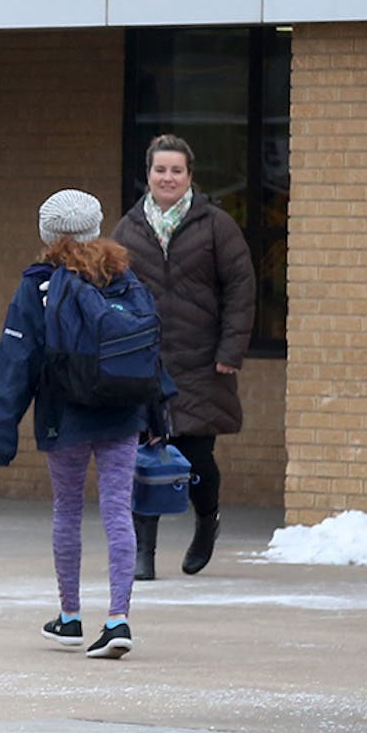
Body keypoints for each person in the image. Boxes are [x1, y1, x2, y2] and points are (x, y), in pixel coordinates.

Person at [0, 189, 172, 661]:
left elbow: (16, 362)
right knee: (117, 511)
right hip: (123, 412)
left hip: (64, 414)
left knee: (67, 511)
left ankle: (69, 617)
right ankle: (118, 618)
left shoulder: (38, 286)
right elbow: (149, 353)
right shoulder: (124, 278)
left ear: (49, 234)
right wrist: (156, 414)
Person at [110, 135, 256, 579]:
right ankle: (144, 554)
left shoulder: (216, 225)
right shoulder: (128, 229)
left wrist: (231, 350)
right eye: (160, 170)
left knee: (195, 455)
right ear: (148, 175)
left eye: (176, 170)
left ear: (190, 176)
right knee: (143, 454)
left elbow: (241, 289)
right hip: (146, 363)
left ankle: (206, 520)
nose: (167, 177)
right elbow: (110, 293)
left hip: (201, 362)